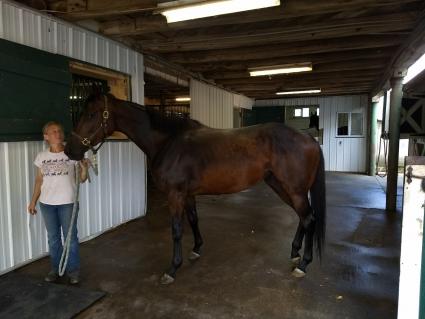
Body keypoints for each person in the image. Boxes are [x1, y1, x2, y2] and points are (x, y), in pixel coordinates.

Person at [28, 121, 88, 284]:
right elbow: (39, 181)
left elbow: (82, 180)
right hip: (47, 204)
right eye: (53, 131)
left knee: (71, 238)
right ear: (46, 137)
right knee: (53, 238)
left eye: (60, 131)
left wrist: (84, 168)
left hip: (68, 203)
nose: (58, 134)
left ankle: (73, 271)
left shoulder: (72, 154)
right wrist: (33, 201)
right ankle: (55, 269)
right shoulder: (42, 157)